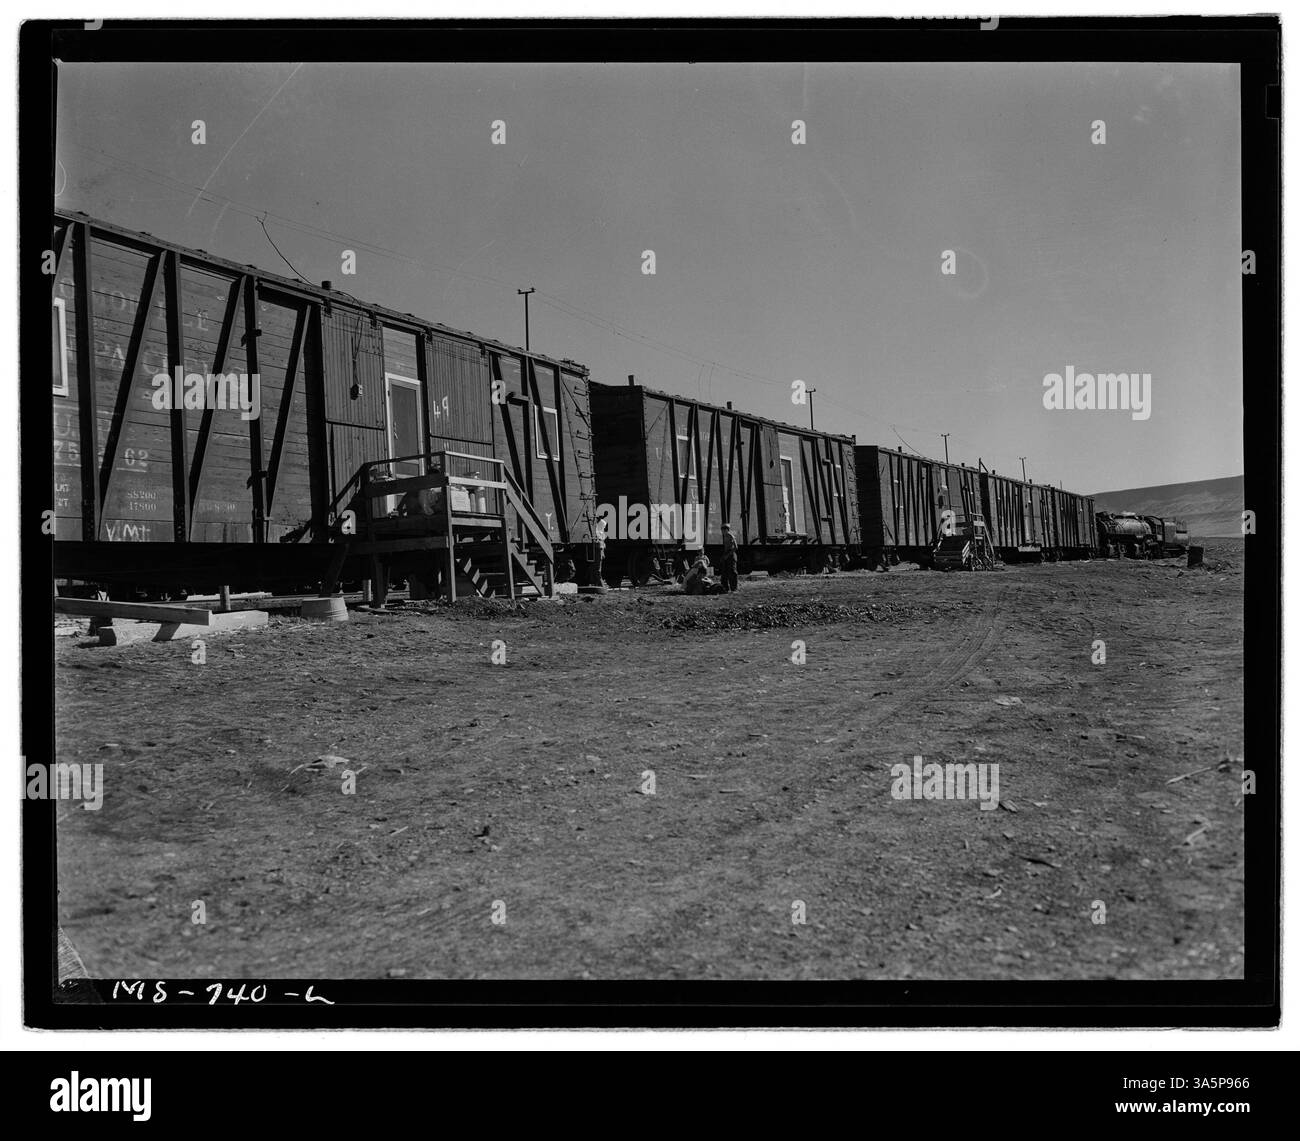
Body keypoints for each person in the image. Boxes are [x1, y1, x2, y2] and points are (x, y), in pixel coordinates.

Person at [720, 522, 739, 593]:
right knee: (724, 572)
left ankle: (734, 588)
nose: (722, 531)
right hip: (727, 554)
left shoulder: (730, 536)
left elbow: (736, 547)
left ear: (727, 530)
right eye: (722, 529)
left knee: (732, 572)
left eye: (724, 529)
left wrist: (728, 555)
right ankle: (725, 588)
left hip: (731, 555)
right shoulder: (725, 536)